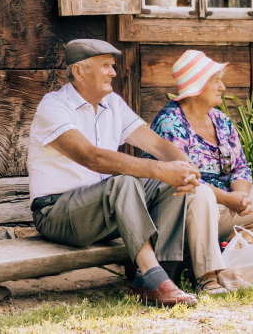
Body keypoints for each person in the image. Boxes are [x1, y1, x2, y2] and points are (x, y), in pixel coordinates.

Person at [27, 38, 202, 306]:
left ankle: (156, 281)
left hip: (103, 211)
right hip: (56, 213)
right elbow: (92, 158)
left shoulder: (113, 104)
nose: (114, 72)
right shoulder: (54, 106)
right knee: (124, 183)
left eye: (113, 65)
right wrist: (159, 169)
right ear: (79, 72)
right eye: (106, 65)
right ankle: (157, 280)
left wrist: (186, 168)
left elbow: (156, 144)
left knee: (166, 185)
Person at [148, 50, 253, 294]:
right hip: (180, 212)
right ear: (197, 86)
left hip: (222, 206)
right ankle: (206, 277)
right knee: (200, 194)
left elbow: (240, 166)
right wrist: (227, 199)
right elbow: (183, 178)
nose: (223, 86)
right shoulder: (171, 122)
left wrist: (240, 196)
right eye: (216, 80)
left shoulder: (220, 120)